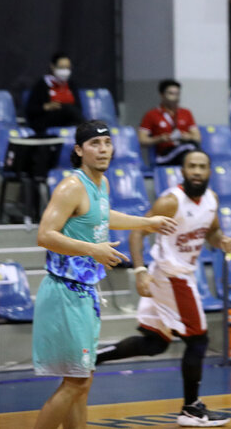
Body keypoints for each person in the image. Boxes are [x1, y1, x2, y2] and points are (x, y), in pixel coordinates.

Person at [32, 120, 177, 429]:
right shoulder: (72, 185)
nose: (103, 149)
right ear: (79, 150)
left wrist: (145, 223)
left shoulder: (101, 184)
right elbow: (45, 235)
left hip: (84, 292)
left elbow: (101, 216)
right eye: (95, 144)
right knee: (75, 384)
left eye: (107, 143)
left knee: (82, 383)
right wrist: (92, 250)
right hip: (65, 291)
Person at [95, 150, 231, 427]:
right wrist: (140, 270)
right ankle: (191, 409)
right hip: (171, 276)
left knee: (155, 343)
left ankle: (94, 356)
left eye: (202, 167)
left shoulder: (211, 199)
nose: (196, 171)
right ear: (182, 171)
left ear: (209, 171)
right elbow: (137, 232)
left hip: (180, 276)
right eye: (191, 166)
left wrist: (221, 241)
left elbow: (211, 231)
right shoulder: (171, 201)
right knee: (199, 340)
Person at [139, 79, 201, 166]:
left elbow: (197, 137)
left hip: (184, 148)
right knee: (191, 151)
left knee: (194, 151)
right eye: (171, 93)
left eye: (177, 94)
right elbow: (142, 140)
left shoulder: (186, 113)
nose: (175, 97)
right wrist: (159, 139)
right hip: (165, 154)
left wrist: (186, 137)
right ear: (162, 95)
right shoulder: (151, 114)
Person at [25, 52, 84, 135]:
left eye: (67, 68)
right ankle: (88, 128)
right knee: (66, 108)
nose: (65, 71)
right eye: (61, 67)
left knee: (69, 111)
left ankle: (86, 129)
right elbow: (30, 110)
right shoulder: (42, 84)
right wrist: (46, 107)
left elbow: (78, 108)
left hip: (66, 120)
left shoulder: (71, 84)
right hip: (46, 120)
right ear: (53, 66)